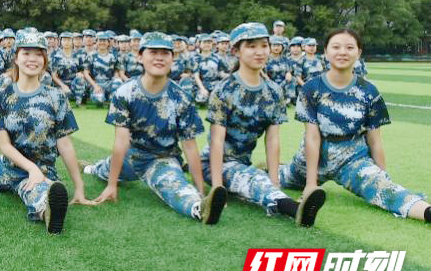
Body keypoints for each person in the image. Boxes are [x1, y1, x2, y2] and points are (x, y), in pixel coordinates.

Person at [279, 28, 431, 223]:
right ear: (325, 52)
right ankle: (273, 168)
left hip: (352, 158)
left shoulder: (369, 91)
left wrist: (383, 178)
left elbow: (374, 140)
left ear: (358, 53)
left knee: (388, 192)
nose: (342, 52)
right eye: (336, 47)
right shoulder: (311, 88)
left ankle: (427, 212)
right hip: (314, 157)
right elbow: (312, 137)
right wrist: (310, 184)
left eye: (349, 47)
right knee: (284, 179)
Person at [84, 32, 228, 224]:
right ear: (140, 57)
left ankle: (199, 208)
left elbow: (190, 147)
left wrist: (201, 191)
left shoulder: (181, 97)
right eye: (153, 52)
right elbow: (121, 141)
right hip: (131, 157)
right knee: (104, 169)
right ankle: (91, 168)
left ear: (172, 58)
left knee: (174, 185)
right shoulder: (125, 93)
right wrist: (111, 185)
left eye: (165, 53)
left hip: (162, 159)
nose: (159, 57)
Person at [0, 31, 92, 233]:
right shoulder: (0, 96)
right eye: (26, 53)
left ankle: (48, 213)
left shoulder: (57, 97)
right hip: (7, 166)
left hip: (42, 171)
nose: (32, 59)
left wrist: (79, 187)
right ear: (16, 58)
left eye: (38, 54)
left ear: (45, 60)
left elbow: (65, 144)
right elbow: (4, 145)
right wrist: (30, 168)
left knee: (39, 194)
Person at [203, 23, 325, 227]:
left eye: (263, 45)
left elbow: (272, 140)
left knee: (255, 178)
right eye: (251, 46)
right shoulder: (224, 90)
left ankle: (273, 191)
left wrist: (275, 181)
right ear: (236, 51)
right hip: (214, 163)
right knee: (254, 179)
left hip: (242, 162)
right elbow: (217, 141)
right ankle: (294, 209)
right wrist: (217, 188)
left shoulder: (274, 91)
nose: (259, 52)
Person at [49, 32, 87, 106]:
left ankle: (78, 102)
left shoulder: (77, 55)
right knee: (62, 99)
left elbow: (81, 70)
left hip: (73, 82)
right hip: (60, 83)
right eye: (64, 40)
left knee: (81, 79)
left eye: (69, 40)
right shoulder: (56, 56)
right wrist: (63, 85)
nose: (66, 42)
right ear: (60, 42)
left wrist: (80, 73)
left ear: (72, 42)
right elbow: (53, 76)